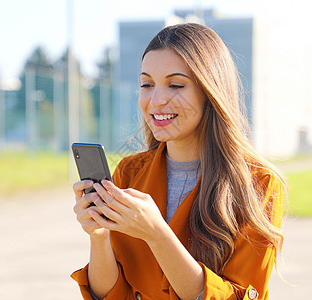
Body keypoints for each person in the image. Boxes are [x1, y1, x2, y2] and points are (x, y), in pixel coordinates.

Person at [71, 23, 286, 300]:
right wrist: (99, 237)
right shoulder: (130, 173)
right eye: (146, 84)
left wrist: (157, 234)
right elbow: (113, 295)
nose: (156, 100)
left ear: (210, 91)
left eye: (175, 85)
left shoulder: (259, 185)